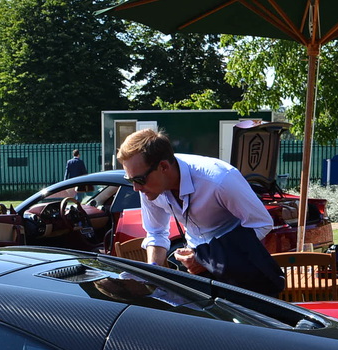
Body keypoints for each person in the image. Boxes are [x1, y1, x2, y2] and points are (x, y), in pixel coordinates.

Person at [115, 127, 283, 297]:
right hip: (197, 269)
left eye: (139, 180)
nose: (136, 188)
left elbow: (262, 224)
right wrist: (153, 271)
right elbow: (156, 232)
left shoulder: (219, 179)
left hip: (241, 272)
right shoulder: (149, 187)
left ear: (164, 167)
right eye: (130, 180)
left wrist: (209, 259)